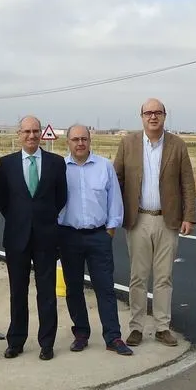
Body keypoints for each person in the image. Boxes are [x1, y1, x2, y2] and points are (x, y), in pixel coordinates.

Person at [113, 98, 196, 348]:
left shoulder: (177, 145)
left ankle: (162, 327)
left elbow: (187, 183)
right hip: (138, 219)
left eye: (157, 112)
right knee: (138, 276)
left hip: (167, 220)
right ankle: (136, 327)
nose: (153, 117)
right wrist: (112, 214)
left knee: (164, 277)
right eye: (148, 113)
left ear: (164, 116)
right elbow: (116, 178)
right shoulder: (128, 143)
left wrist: (189, 216)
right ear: (141, 116)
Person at [0, 115, 67, 360]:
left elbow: (61, 198)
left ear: (41, 134)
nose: (32, 136)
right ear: (19, 134)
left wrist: (42, 219)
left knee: (46, 292)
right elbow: (3, 201)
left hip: (47, 237)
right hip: (17, 237)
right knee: (18, 291)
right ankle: (15, 340)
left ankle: (46, 343)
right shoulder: (6, 164)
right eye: (27, 131)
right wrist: (22, 219)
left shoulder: (56, 163)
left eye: (36, 131)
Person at [58, 125, 132, 356]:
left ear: (90, 141)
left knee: (105, 288)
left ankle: (113, 337)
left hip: (99, 236)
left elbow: (114, 201)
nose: (80, 143)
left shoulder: (104, 166)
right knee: (74, 288)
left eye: (84, 139)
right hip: (69, 235)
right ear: (68, 142)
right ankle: (81, 333)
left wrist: (110, 229)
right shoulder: (60, 168)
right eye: (75, 139)